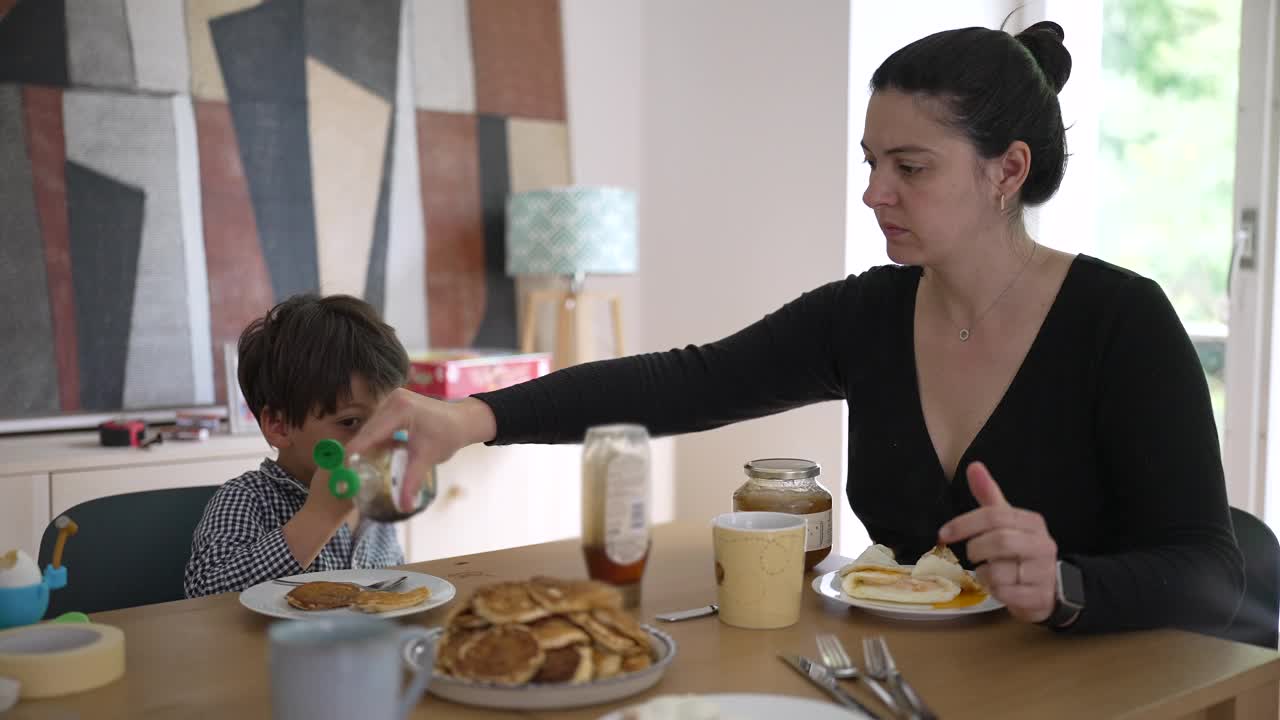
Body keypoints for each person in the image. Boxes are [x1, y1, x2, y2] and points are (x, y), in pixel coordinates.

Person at [348, 21, 1244, 634]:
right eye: (870, 161)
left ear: (1006, 170)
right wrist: (469, 418)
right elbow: (687, 382)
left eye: (910, 166)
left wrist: (1068, 585)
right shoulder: (868, 315)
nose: (873, 191)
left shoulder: (1121, 322)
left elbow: (1210, 570)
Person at [184, 295, 410, 597]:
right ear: (279, 425)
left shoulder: (375, 505)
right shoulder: (247, 500)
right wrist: (319, 517)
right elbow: (204, 594)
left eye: (386, 420)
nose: (376, 439)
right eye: (351, 422)